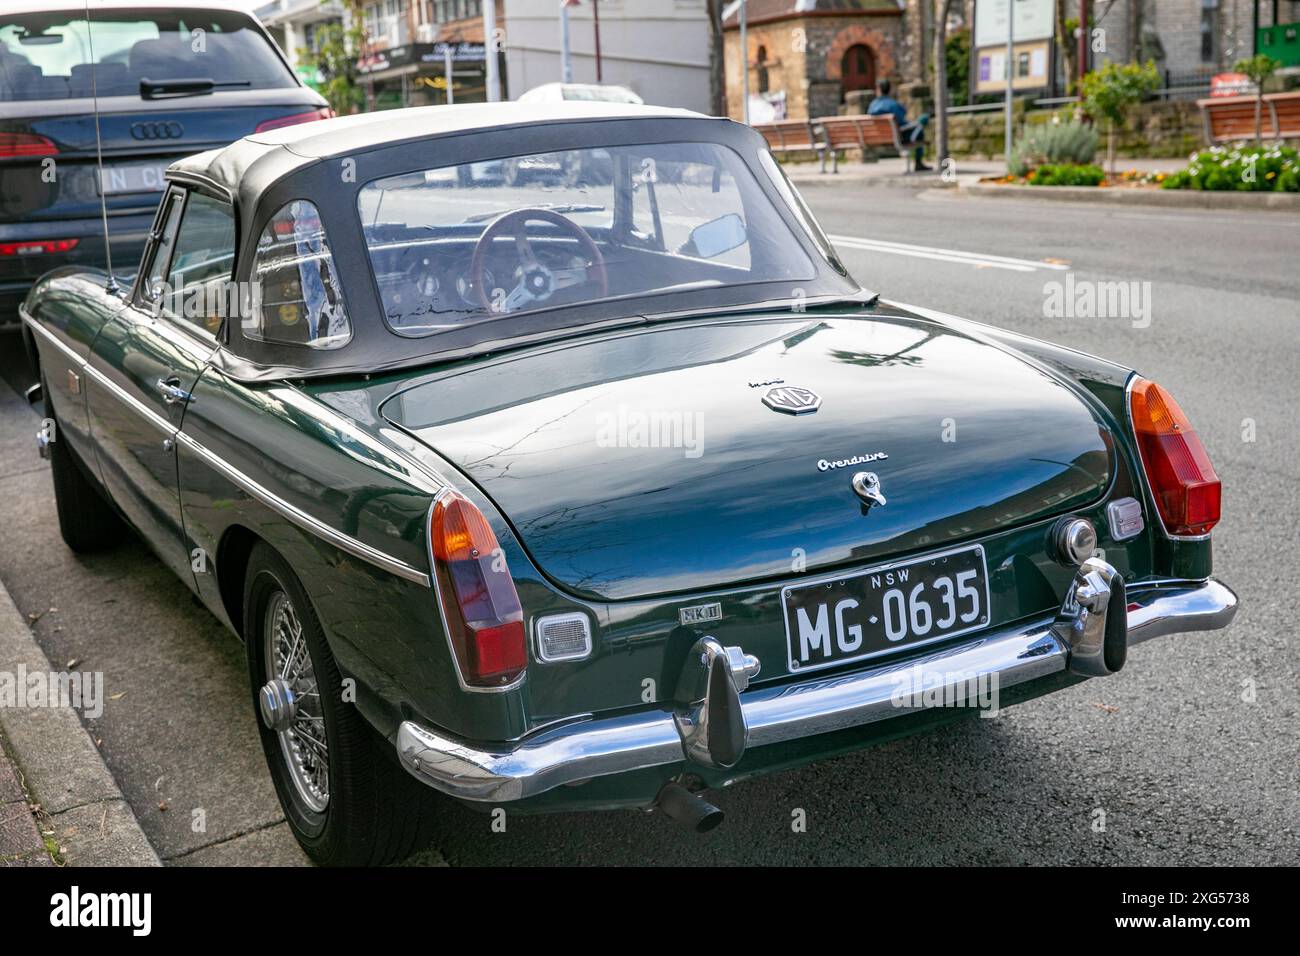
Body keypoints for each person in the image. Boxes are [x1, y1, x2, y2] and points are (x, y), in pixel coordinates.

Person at [867, 79, 931, 172]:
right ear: (889, 90)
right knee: (922, 121)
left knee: (916, 125)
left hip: (881, 136)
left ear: (879, 89)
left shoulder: (872, 106)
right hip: (899, 136)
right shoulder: (893, 104)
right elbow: (902, 119)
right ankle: (918, 162)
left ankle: (919, 162)